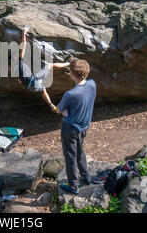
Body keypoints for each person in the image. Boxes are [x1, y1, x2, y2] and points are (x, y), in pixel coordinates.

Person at [54, 59, 96, 194]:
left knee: (70, 155)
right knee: (80, 150)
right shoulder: (92, 84)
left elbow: (58, 110)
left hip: (70, 128)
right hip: (84, 126)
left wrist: (64, 111)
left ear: (71, 74)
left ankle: (73, 185)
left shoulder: (70, 94)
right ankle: (85, 176)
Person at [17, 28, 70, 112]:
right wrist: (23, 33)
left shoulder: (16, 72)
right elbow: (22, 47)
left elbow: (19, 81)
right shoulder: (19, 61)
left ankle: (51, 104)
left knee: (43, 90)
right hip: (33, 81)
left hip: (31, 88)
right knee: (50, 65)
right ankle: (69, 63)